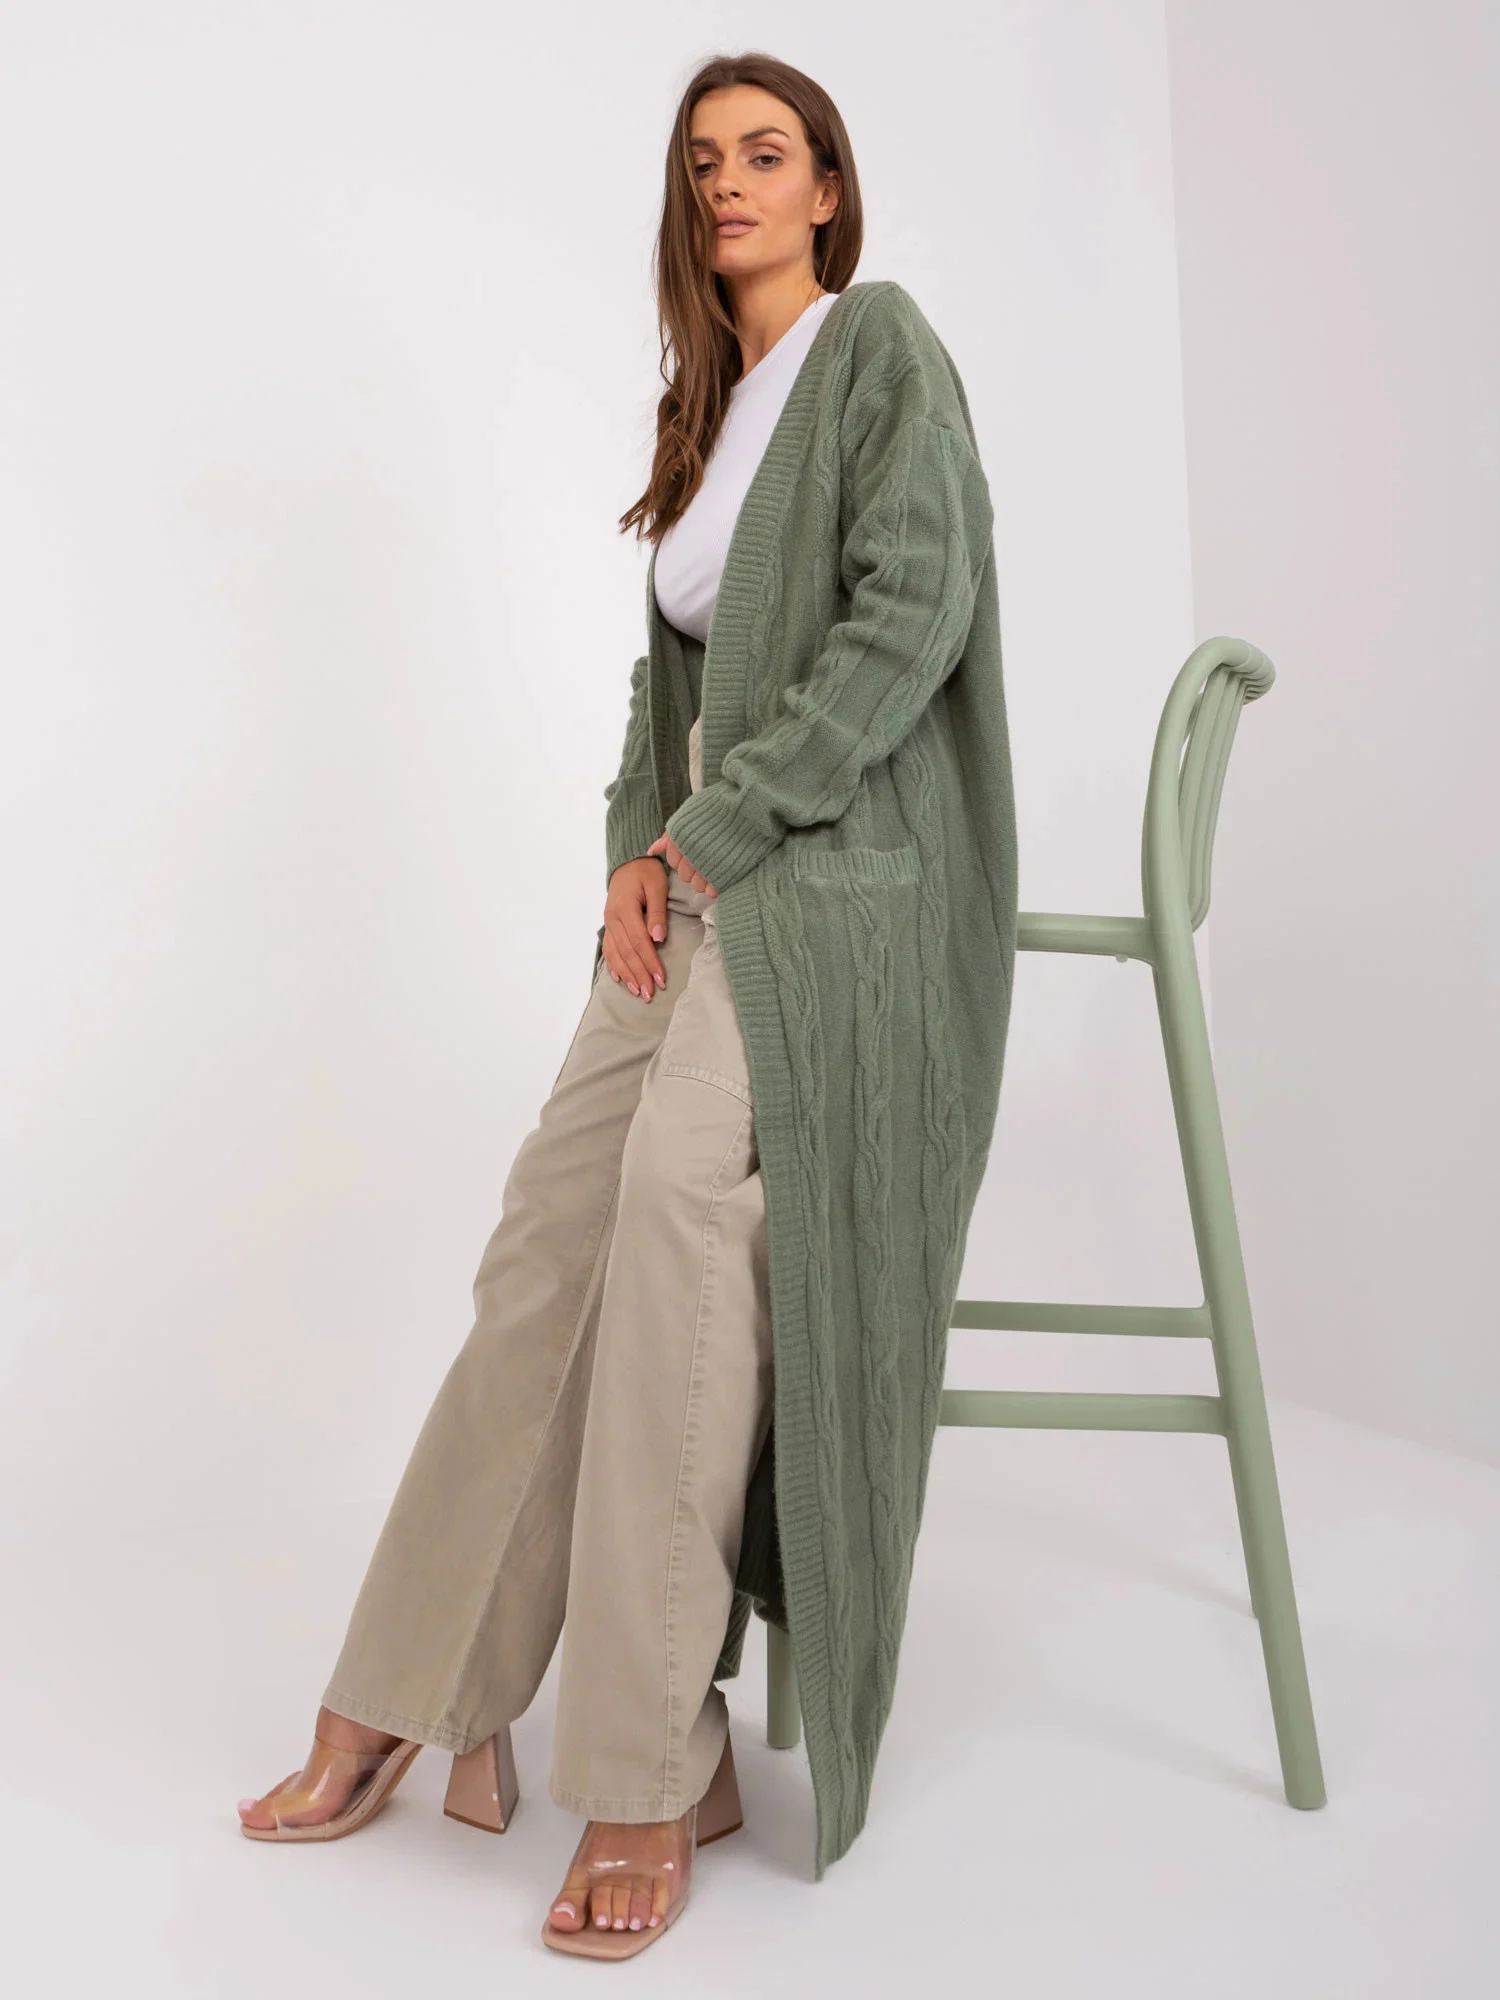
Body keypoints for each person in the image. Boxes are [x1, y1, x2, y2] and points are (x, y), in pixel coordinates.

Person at [236, 50, 1017, 1961]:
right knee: (548, 1234)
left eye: (767, 153)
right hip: (707, 881)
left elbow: (907, 619)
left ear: (829, 189)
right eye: (703, 160)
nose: (730, 181)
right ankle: (410, 1681)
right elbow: (659, 708)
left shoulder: (878, 351)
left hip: (850, 887)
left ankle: (656, 1764)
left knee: (679, 1204)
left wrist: (717, 832)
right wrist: (631, 860)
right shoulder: (708, 408)